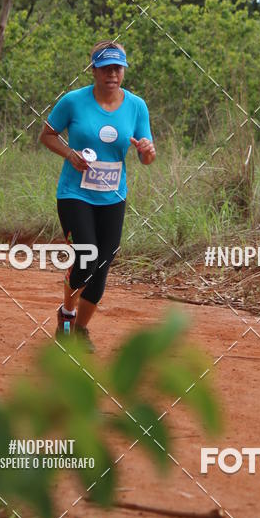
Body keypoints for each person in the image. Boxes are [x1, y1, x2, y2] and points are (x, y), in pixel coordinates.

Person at [39, 40, 156, 351]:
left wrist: (147, 151)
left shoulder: (136, 106)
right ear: (93, 70)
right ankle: (66, 317)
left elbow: (146, 155)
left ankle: (79, 330)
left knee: (102, 266)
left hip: (113, 198)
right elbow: (47, 135)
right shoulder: (73, 101)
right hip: (74, 194)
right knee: (86, 258)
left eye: (118, 68)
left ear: (124, 70)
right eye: (105, 68)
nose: (112, 74)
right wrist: (69, 154)